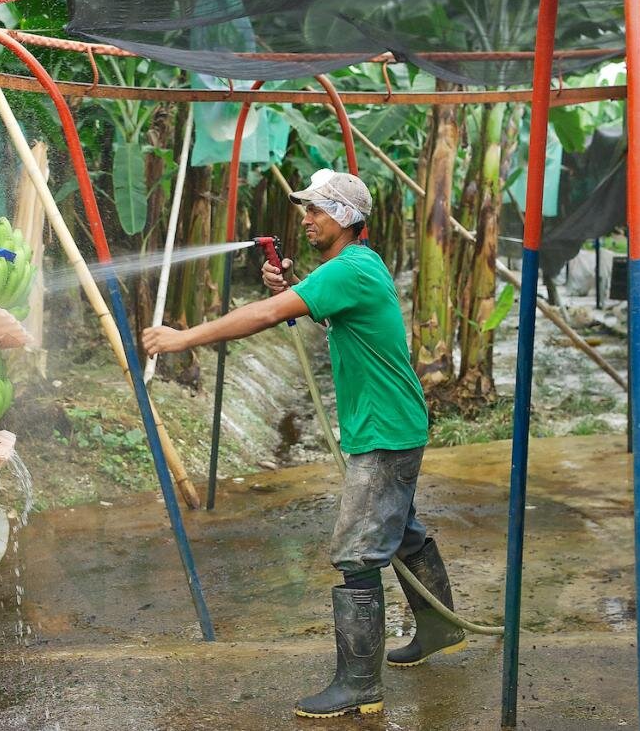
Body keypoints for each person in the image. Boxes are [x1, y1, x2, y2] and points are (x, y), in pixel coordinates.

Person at [142, 169, 467, 719]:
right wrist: (292, 292)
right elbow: (305, 304)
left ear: (343, 216)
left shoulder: (351, 270)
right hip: (391, 424)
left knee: (357, 550)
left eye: (316, 210)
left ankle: (360, 685)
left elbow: (267, 315)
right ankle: (440, 630)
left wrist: (183, 338)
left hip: (385, 432)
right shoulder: (355, 265)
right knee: (401, 530)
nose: (307, 219)